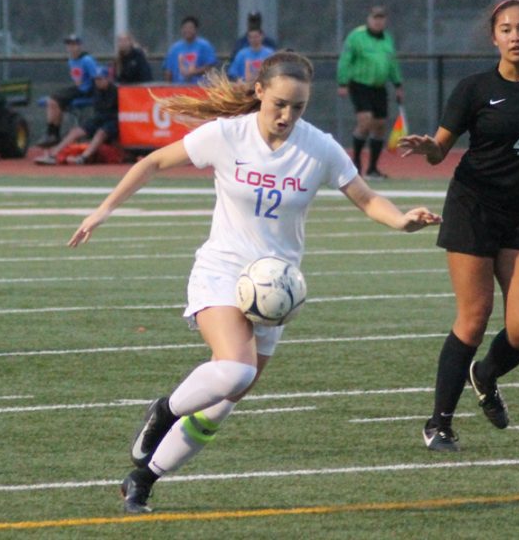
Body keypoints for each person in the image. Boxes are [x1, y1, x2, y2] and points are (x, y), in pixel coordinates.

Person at [67, 51, 441, 513]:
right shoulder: (228, 135)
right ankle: (164, 411)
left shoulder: (319, 148)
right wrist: (103, 210)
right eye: (279, 103)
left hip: (276, 290)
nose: (287, 116)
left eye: (298, 107)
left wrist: (401, 220)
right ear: (260, 91)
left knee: (224, 402)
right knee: (236, 369)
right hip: (223, 271)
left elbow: (365, 197)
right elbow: (154, 163)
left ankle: (143, 479)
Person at [399, 0, 519, 453]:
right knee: (474, 319)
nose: (516, 36)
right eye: (506, 29)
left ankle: (486, 374)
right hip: (473, 207)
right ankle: (439, 423)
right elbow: (441, 149)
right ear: (493, 37)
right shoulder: (474, 89)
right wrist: (427, 148)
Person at [337, 5, 403, 180]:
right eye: (375, 17)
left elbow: (392, 64)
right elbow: (345, 60)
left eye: (381, 18)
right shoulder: (356, 37)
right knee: (365, 121)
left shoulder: (387, 39)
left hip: (379, 87)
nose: (378, 21)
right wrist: (342, 82)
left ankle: (373, 169)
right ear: (369, 19)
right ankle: (356, 164)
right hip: (360, 84)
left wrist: (398, 84)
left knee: (380, 125)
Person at [34, 66, 119, 165]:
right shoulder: (95, 89)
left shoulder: (116, 91)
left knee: (101, 133)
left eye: (100, 79)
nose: (97, 82)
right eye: (96, 79)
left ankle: (83, 157)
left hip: (112, 120)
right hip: (98, 118)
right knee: (75, 132)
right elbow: (78, 91)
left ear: (107, 78)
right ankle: (53, 155)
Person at [36, 34, 98, 148]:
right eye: (69, 45)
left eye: (74, 45)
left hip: (86, 90)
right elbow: (77, 80)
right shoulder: (71, 60)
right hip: (79, 88)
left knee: (55, 99)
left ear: (79, 46)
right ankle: (52, 133)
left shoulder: (87, 60)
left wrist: (96, 94)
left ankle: (53, 134)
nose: (71, 48)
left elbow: (96, 77)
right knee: (53, 102)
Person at [162, 16, 217, 84]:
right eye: (185, 28)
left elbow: (210, 68)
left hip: (199, 87)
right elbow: (168, 71)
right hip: (178, 88)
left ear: (196, 29)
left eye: (190, 28)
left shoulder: (205, 46)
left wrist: (193, 72)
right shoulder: (174, 48)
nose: (187, 30)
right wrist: (168, 88)